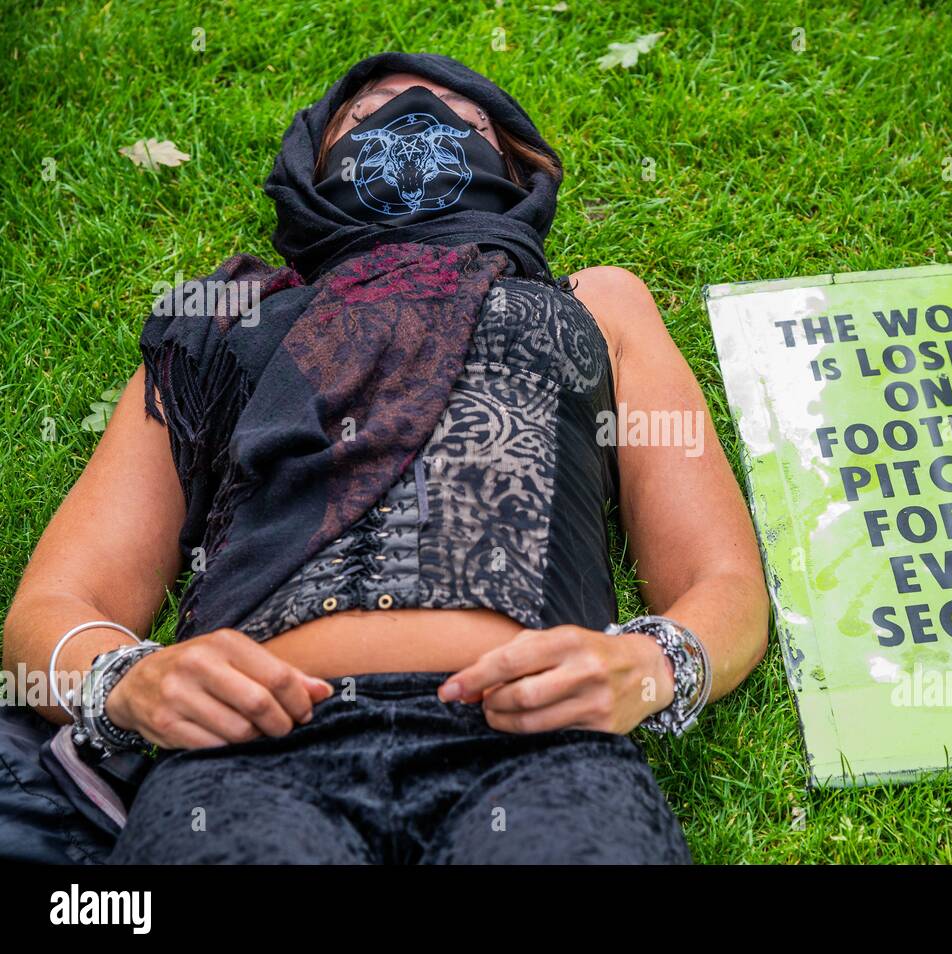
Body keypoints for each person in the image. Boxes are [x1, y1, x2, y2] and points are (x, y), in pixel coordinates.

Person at [0, 51, 770, 864]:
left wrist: (650, 667)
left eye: (459, 118)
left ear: (514, 166)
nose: (412, 115)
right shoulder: (223, 323)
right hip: (250, 755)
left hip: (541, 747)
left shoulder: (596, 301)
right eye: (368, 119)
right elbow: (52, 607)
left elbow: (720, 583)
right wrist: (123, 685)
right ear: (313, 169)